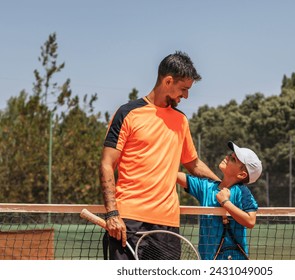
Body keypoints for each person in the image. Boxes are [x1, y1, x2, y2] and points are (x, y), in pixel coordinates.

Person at [100, 51, 220, 260]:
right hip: (128, 220)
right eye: (183, 89)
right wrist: (112, 213)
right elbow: (107, 164)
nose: (186, 96)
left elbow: (193, 163)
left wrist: (223, 184)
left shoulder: (181, 121)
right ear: (168, 81)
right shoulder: (127, 113)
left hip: (167, 224)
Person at [177, 141, 262, 260]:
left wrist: (225, 202)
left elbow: (250, 220)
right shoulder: (206, 187)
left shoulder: (242, 192)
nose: (227, 157)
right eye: (230, 155)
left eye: (233, 159)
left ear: (242, 175)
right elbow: (175, 175)